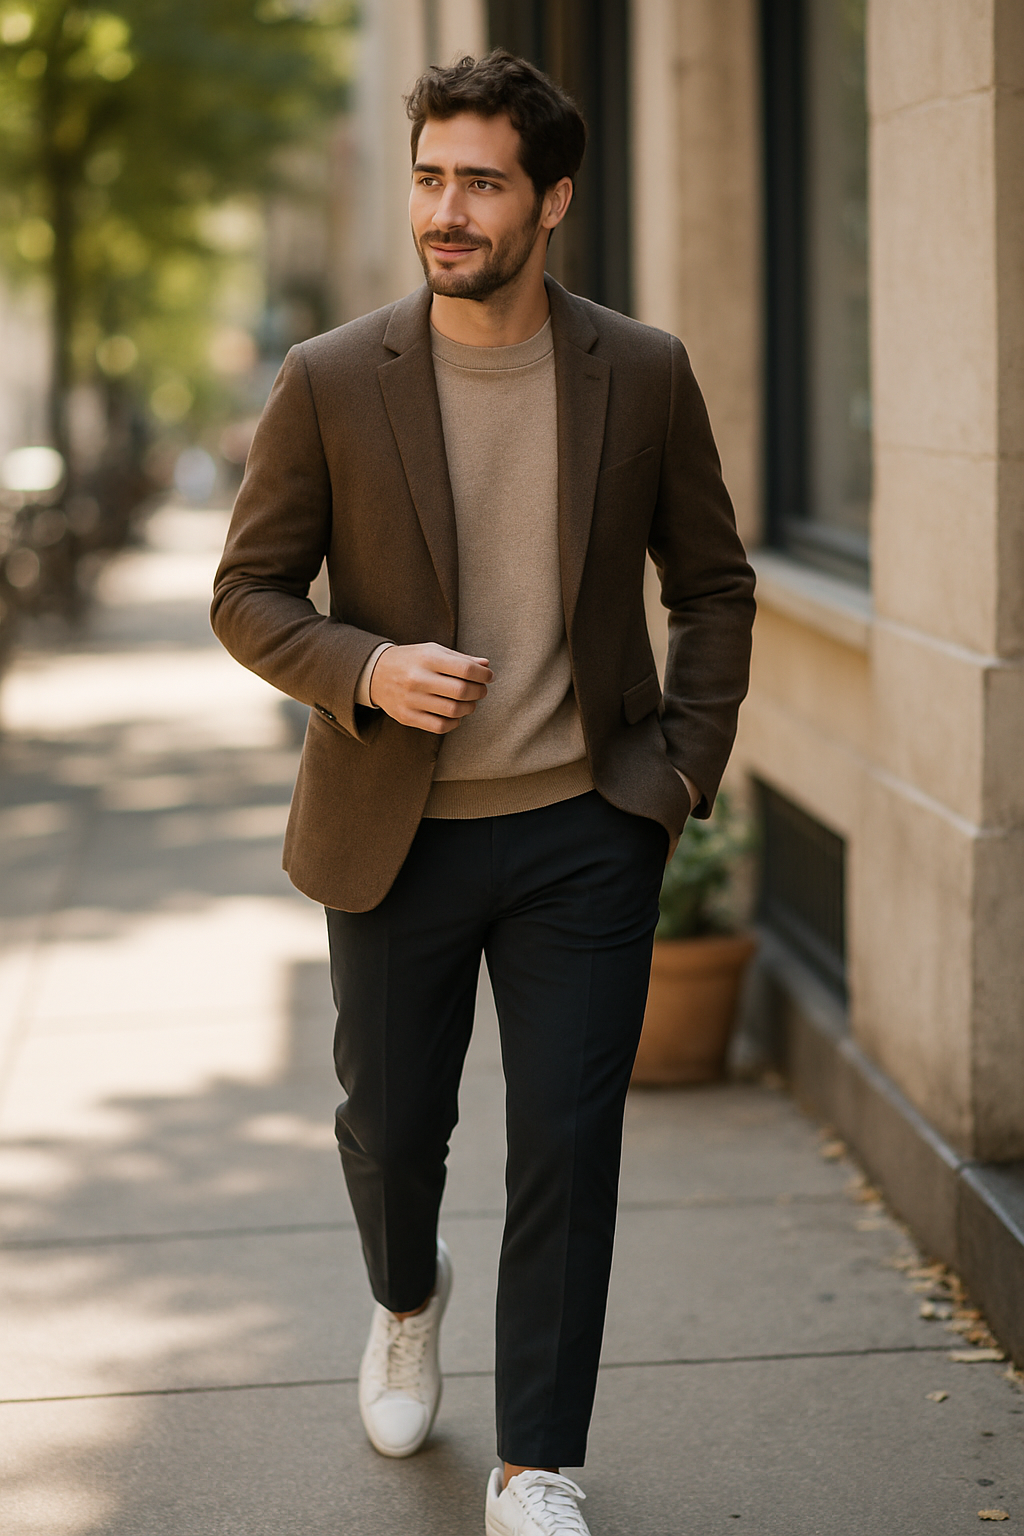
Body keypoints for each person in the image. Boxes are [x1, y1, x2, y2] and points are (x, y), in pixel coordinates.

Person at [212, 49, 755, 1536]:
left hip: (588, 826)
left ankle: (538, 1459)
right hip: (399, 830)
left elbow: (710, 585)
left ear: (553, 198)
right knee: (393, 1131)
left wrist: (683, 768)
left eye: (483, 183)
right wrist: (367, 671)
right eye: (432, 178)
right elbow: (247, 591)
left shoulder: (638, 369)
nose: (447, 212)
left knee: (569, 1147)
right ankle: (405, 1298)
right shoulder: (333, 375)